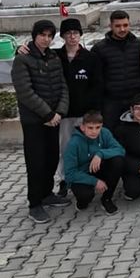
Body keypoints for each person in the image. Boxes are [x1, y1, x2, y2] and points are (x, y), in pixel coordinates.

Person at [11, 20, 71, 223]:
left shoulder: (53, 57)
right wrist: (47, 114)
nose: (46, 39)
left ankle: (47, 194)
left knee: (52, 158)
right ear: (34, 35)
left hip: (53, 119)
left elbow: (63, 87)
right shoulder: (23, 59)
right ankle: (35, 203)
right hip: (35, 121)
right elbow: (25, 92)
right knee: (36, 162)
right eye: (42, 35)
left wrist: (59, 112)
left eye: (49, 36)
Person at [53, 18, 102, 198]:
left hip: (85, 113)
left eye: (75, 33)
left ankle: (87, 175)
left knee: (86, 146)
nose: (72, 37)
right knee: (66, 148)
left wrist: (93, 112)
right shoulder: (55, 57)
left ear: (81, 35)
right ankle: (65, 179)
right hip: (64, 113)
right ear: (63, 36)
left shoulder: (90, 58)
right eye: (68, 33)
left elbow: (97, 86)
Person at [92, 10, 140, 130]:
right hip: (112, 102)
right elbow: (97, 79)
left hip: (135, 99)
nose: (122, 29)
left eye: (125, 25)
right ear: (110, 26)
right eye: (118, 26)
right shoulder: (99, 49)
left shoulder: (139, 45)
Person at [63, 111, 125, 215]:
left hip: (98, 168)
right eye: (90, 128)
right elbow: (70, 174)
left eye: (97, 127)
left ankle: (106, 199)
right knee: (85, 196)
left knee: (118, 161)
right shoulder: (73, 144)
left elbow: (120, 150)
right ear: (83, 127)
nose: (94, 131)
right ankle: (81, 202)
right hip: (81, 174)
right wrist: (95, 181)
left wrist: (100, 154)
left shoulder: (105, 133)